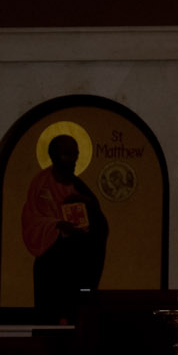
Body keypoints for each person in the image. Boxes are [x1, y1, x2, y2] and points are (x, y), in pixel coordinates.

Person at [21, 133, 108, 321]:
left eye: (75, 154)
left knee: (76, 311)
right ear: (53, 156)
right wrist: (58, 225)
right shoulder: (41, 183)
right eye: (67, 154)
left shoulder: (79, 187)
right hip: (51, 261)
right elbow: (31, 220)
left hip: (78, 263)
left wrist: (86, 205)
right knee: (50, 313)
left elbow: (100, 225)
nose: (73, 160)